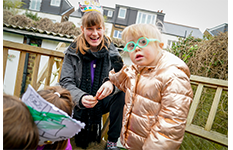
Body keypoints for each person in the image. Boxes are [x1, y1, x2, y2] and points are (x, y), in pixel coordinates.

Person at [96, 23, 192, 150]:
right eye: (131, 45)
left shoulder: (173, 77)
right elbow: (126, 85)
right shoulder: (140, 69)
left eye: (142, 42)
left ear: (160, 46)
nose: (136, 48)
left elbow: (170, 127)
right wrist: (117, 70)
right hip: (135, 141)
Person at [58, 10, 125, 149]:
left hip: (100, 101)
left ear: (104, 29)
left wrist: (111, 84)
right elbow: (65, 81)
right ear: (82, 29)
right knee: (57, 96)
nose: (95, 34)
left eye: (98, 28)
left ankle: (112, 142)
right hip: (76, 103)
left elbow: (122, 77)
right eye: (90, 29)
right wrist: (81, 97)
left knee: (121, 94)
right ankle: (61, 136)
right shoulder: (72, 52)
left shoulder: (112, 52)